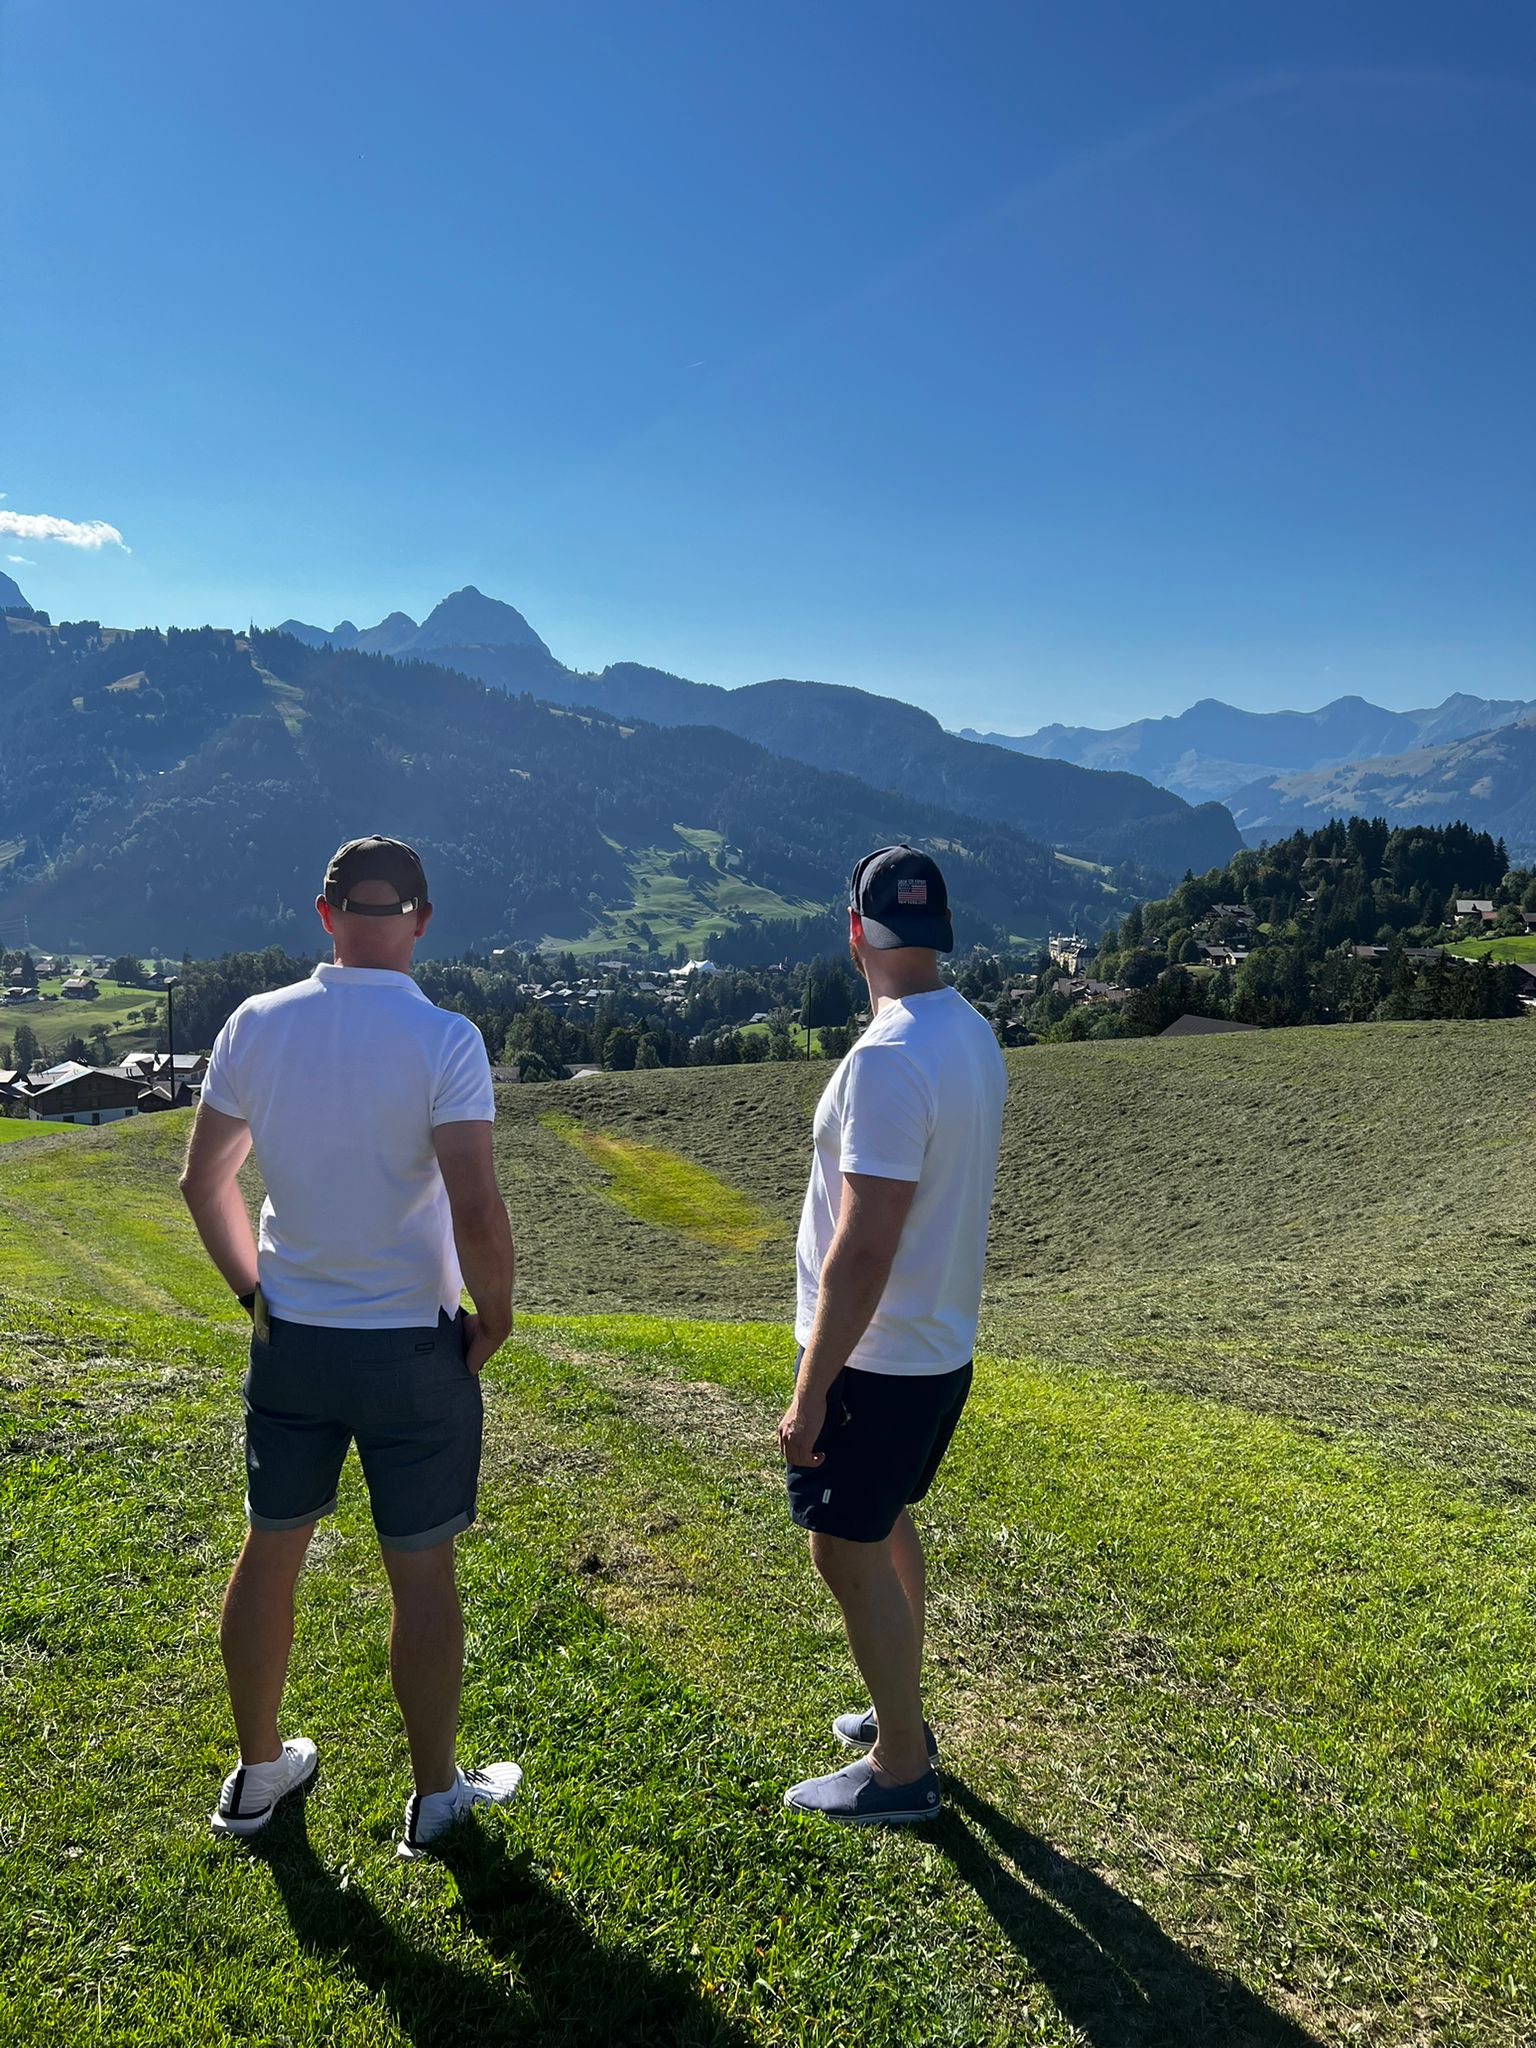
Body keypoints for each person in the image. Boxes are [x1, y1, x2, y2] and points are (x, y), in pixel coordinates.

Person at [179, 836, 520, 1858]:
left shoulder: (256, 1022)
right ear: (421, 920)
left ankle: (256, 1772)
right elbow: (476, 1205)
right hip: (413, 1347)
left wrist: (253, 1293)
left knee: (269, 1549)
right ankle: (435, 1795)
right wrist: (496, 1312)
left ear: (324, 913)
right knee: (422, 1574)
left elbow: (203, 1182)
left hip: (292, 1341)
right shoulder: (446, 1038)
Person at [778, 844, 1007, 1824]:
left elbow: (864, 1247)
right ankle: (898, 1710)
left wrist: (811, 1391)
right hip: (935, 1344)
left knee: (841, 1548)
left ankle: (901, 1766)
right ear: (939, 927)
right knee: (883, 1522)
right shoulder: (970, 1031)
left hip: (873, 1356)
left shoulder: (884, 1058)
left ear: (855, 931)